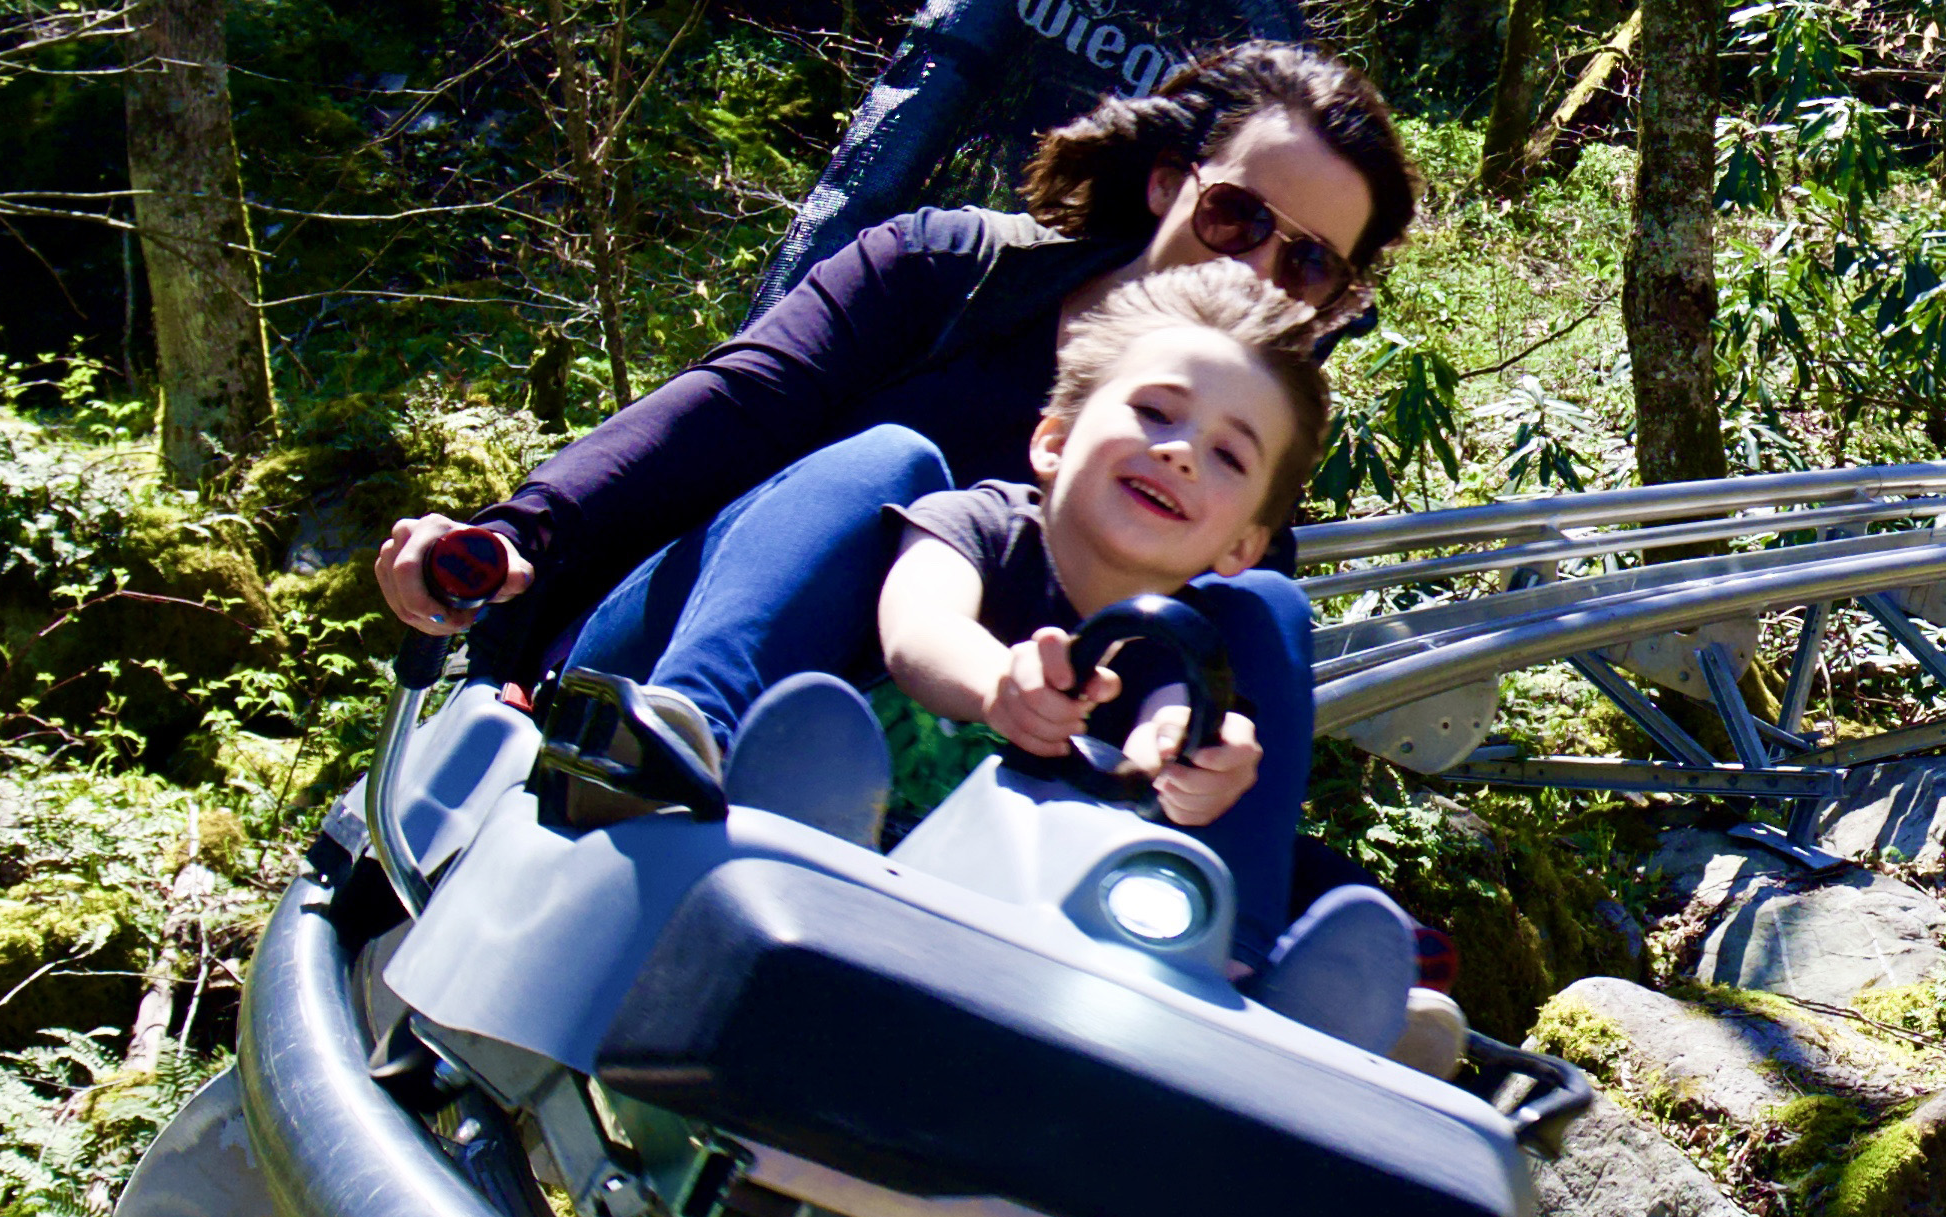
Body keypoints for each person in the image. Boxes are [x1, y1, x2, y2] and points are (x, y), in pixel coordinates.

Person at [371, 40, 1414, 748]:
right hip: (676, 669)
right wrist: (525, 533)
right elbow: (735, 405)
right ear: (1166, 183)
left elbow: (1199, 682)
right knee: (891, 468)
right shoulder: (943, 275)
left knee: (1258, 620)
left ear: (1337, 303)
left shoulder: (1242, 492)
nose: (1257, 270)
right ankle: (677, 748)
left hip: (944, 801)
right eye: (1236, 216)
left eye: (1310, 263)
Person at [865, 262, 1446, 1070]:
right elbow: (920, 625)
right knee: (877, 481)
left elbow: (1173, 711)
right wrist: (997, 684)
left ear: (1242, 541)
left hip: (1036, 900)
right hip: (868, 828)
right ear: (1055, 438)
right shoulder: (984, 525)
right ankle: (714, 763)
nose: (1179, 453)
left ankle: (1250, 985)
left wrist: (1195, 758)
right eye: (1153, 412)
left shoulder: (1194, 633)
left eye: (1228, 457)